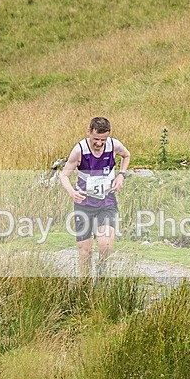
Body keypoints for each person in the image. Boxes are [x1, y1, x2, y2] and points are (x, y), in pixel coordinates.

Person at [59, 117, 131, 277]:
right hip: (84, 204)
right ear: (89, 132)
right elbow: (64, 176)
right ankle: (84, 285)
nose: (99, 143)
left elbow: (126, 155)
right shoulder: (79, 150)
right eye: (96, 139)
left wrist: (121, 175)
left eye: (103, 140)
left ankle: (101, 275)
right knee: (85, 252)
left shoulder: (113, 145)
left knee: (105, 246)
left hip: (107, 202)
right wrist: (72, 192)